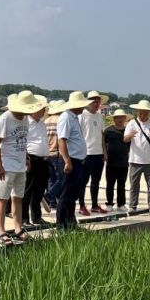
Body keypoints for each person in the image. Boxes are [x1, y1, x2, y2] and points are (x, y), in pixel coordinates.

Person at [0, 91, 44, 244]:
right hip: (7, 165)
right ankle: (1, 232)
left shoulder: (26, 119)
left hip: (20, 165)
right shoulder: (5, 119)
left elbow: (23, 139)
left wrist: (26, 157)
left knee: (18, 198)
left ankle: (18, 228)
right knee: (2, 198)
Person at [56, 91, 91, 229]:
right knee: (66, 193)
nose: (83, 107)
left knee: (73, 194)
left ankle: (71, 223)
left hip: (78, 161)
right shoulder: (66, 118)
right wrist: (67, 161)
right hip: (71, 161)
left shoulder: (74, 117)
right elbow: (61, 140)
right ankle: (62, 225)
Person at [125, 100, 150, 217]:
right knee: (134, 185)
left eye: (145, 113)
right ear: (137, 112)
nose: (142, 115)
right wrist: (130, 135)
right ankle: (132, 206)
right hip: (135, 160)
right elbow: (125, 139)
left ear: (149, 112)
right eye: (140, 113)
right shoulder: (132, 123)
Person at [79, 91, 109, 215]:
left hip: (98, 154)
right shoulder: (82, 116)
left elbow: (102, 135)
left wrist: (104, 152)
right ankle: (81, 205)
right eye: (94, 102)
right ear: (88, 102)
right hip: (86, 153)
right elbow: (79, 136)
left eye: (98, 102)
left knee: (96, 181)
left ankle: (95, 205)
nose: (96, 104)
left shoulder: (99, 116)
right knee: (83, 181)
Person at [22, 95, 50, 225]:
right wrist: (26, 158)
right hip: (31, 159)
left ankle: (37, 217)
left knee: (39, 191)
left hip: (43, 160)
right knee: (27, 190)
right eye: (41, 109)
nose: (43, 111)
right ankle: (24, 218)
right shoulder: (26, 122)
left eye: (44, 109)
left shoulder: (42, 124)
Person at [103, 109, 130, 211]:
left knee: (121, 185)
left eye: (122, 117)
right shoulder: (108, 130)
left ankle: (121, 204)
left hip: (123, 162)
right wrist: (105, 154)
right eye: (117, 118)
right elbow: (103, 144)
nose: (120, 120)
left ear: (125, 119)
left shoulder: (127, 131)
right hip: (111, 162)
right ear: (114, 119)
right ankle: (109, 203)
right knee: (110, 184)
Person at [44, 100, 65, 212]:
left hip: (47, 153)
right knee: (61, 178)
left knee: (51, 179)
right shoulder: (60, 120)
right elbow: (62, 138)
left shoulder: (46, 121)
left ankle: (52, 202)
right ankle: (49, 196)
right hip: (57, 153)